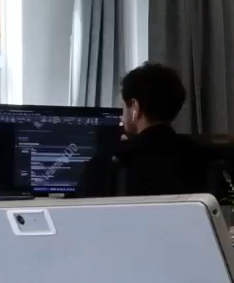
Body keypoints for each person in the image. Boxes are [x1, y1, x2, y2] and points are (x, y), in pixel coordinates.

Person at [76, 62, 204, 197]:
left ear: (135, 107)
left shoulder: (115, 158)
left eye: (123, 107)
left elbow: (74, 206)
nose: (121, 116)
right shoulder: (199, 155)